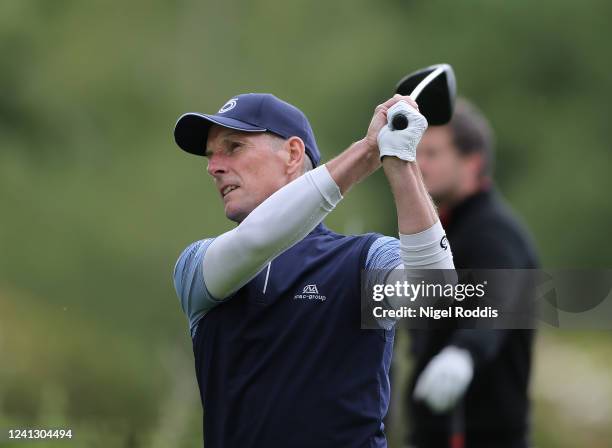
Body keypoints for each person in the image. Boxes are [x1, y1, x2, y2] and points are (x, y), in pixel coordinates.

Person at [171, 92, 455, 447]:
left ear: (292, 154)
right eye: (212, 156)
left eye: (233, 147)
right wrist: (367, 151)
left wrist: (399, 159)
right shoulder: (197, 265)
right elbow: (255, 240)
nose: (213, 167)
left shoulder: (363, 260)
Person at [406, 99, 539, 448]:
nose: (418, 165)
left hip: (479, 434)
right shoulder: (442, 230)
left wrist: (464, 352)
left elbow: (497, 303)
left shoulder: (493, 232)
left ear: (472, 162)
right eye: (416, 153)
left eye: (432, 154)